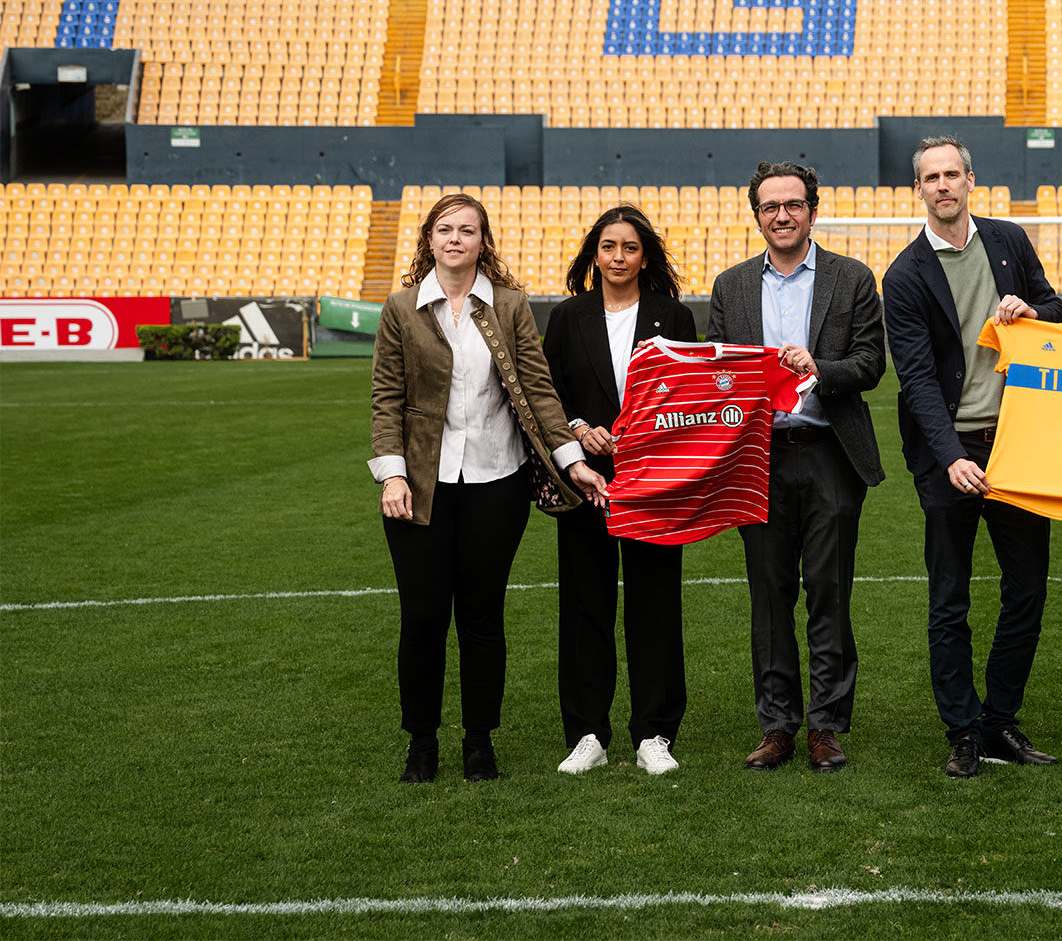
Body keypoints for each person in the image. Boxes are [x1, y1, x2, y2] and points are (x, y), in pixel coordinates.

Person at [370, 192, 609, 784]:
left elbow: (538, 390)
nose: (456, 239)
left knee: (482, 617)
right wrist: (392, 473)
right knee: (423, 617)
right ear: (430, 239)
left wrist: (571, 460)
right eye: (445, 230)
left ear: (483, 242)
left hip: (496, 482)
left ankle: (480, 744)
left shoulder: (509, 305)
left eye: (468, 231)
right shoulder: (401, 308)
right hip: (418, 486)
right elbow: (386, 398)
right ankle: (421, 745)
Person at [882, 135, 1062, 779]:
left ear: (969, 180)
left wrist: (1030, 308)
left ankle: (999, 723)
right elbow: (917, 380)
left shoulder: (1009, 242)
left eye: (951, 174)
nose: (942, 186)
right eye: (929, 177)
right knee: (949, 598)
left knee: (1028, 590)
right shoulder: (904, 276)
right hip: (948, 452)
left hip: (1019, 443)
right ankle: (961, 731)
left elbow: (1057, 308)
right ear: (919, 190)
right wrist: (950, 458)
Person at [706, 161, 886, 773]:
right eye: (769, 206)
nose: (781, 215)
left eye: (792, 204)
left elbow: (870, 363)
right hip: (756, 459)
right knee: (769, 595)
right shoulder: (730, 287)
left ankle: (826, 727)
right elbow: (715, 374)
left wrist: (818, 368)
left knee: (829, 593)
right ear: (756, 214)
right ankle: (778, 725)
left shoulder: (853, 277)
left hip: (831, 452)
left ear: (813, 208)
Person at [540, 205, 699, 778]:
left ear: (644, 255)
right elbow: (548, 396)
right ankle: (587, 733)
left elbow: (688, 401)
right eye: (608, 247)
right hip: (586, 483)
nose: (618, 258)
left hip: (653, 484)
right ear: (594, 254)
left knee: (656, 605)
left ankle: (654, 733)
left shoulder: (673, 317)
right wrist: (581, 430)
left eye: (629, 248)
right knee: (585, 607)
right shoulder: (567, 318)